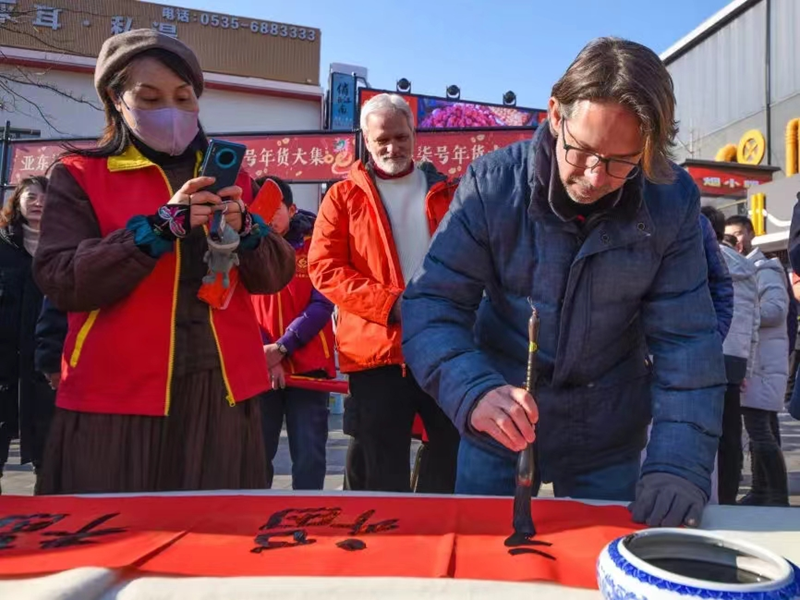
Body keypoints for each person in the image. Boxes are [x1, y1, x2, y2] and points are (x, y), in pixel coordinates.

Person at [402, 37, 726, 527]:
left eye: (623, 161)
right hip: (500, 416)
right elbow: (431, 306)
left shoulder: (669, 198)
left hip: (607, 429)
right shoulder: (493, 185)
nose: (596, 176)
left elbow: (687, 342)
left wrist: (678, 466)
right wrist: (472, 391)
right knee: (485, 567)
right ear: (555, 114)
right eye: (583, 151)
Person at [32, 29, 295, 495]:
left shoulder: (233, 178)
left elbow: (275, 276)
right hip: (115, 398)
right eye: (148, 97)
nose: (170, 110)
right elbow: (62, 278)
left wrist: (248, 229)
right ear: (116, 99)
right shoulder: (77, 174)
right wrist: (157, 228)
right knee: (109, 539)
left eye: (183, 96)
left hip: (223, 395)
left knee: (216, 543)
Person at [308, 93, 461, 493]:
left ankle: (435, 538)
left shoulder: (450, 193)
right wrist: (390, 305)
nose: (392, 147)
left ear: (414, 134)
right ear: (366, 139)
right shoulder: (342, 197)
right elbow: (324, 268)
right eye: (382, 141)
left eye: (400, 137)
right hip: (375, 352)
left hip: (443, 347)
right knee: (376, 463)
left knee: (451, 451)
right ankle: (373, 547)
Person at [251, 175, 335, 490]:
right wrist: (266, 355)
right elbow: (238, 308)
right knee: (257, 455)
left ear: (292, 208)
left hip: (310, 368)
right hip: (259, 368)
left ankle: (308, 524)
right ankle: (257, 523)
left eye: (277, 210)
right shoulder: (243, 248)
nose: (269, 218)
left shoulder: (318, 243)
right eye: (262, 210)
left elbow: (322, 304)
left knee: (310, 456)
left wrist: (282, 348)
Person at [725, 215, 790, 506]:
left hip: (762, 363)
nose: (734, 240)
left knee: (759, 431)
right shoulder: (750, 267)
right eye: (729, 235)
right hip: (758, 359)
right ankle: (764, 491)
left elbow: (776, 310)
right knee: (759, 430)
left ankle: (774, 494)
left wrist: (743, 313)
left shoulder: (764, 268)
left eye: (738, 234)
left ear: (751, 234)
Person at [0, 175, 55, 494]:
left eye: (46, 197)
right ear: (17, 201)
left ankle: (47, 513)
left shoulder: (60, 246)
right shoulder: (4, 246)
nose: (39, 203)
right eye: (31, 196)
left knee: (47, 450)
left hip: (45, 361)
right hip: (5, 361)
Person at [703, 206, 759, 505]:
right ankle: (728, 495)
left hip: (707, 353)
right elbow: (755, 323)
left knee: (703, 429)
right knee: (731, 434)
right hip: (735, 359)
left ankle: (710, 496)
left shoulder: (699, 258)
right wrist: (748, 367)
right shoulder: (747, 267)